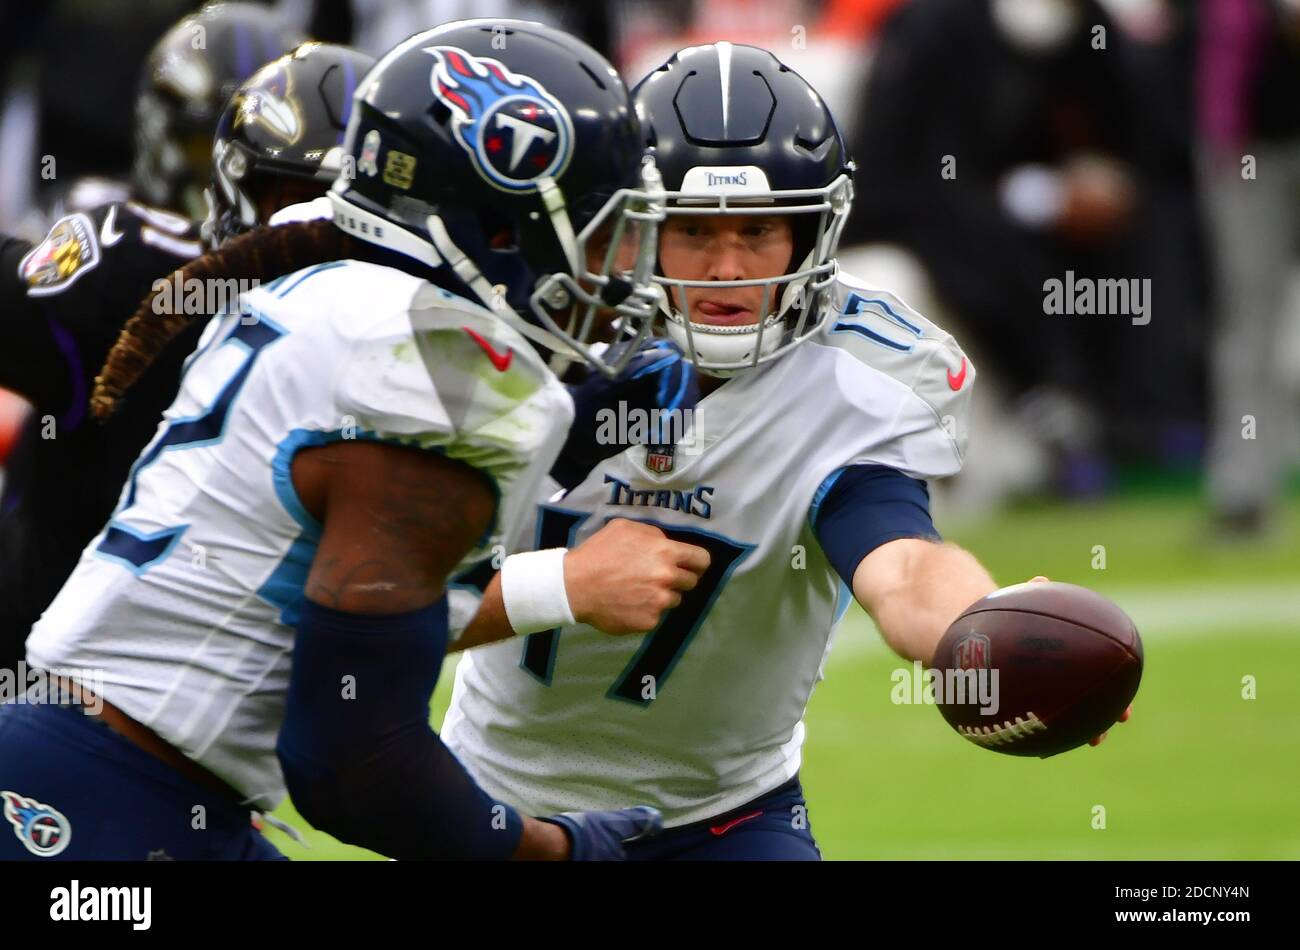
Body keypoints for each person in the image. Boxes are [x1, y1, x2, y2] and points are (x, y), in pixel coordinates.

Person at [441, 43, 1127, 861]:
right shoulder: (541, 345)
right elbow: (392, 605)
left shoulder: (858, 372)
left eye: (759, 231)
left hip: (727, 815)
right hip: (496, 802)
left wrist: (980, 628)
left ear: (813, 233)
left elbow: (901, 560)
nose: (727, 268)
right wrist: (565, 584)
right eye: (693, 231)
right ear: (632, 228)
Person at [1, 19, 667, 861]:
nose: (622, 271)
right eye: (606, 233)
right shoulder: (443, 373)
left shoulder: (312, 282)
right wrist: (558, 849)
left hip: (80, 767)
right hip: (114, 810)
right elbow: (351, 762)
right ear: (500, 228)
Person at [0, 40, 370, 675]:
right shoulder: (132, 270)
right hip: (51, 689)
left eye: (345, 211)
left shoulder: (425, 343)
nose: (315, 234)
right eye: (295, 201)